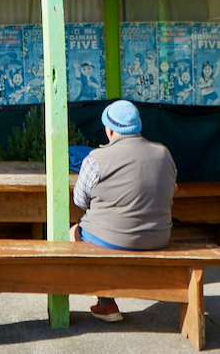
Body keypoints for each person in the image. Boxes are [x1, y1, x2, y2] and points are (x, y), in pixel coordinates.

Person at [70, 99, 176, 322]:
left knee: (73, 234)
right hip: (159, 237)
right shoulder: (163, 153)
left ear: (109, 130)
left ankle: (105, 302)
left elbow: (80, 200)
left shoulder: (96, 159)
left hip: (112, 239)